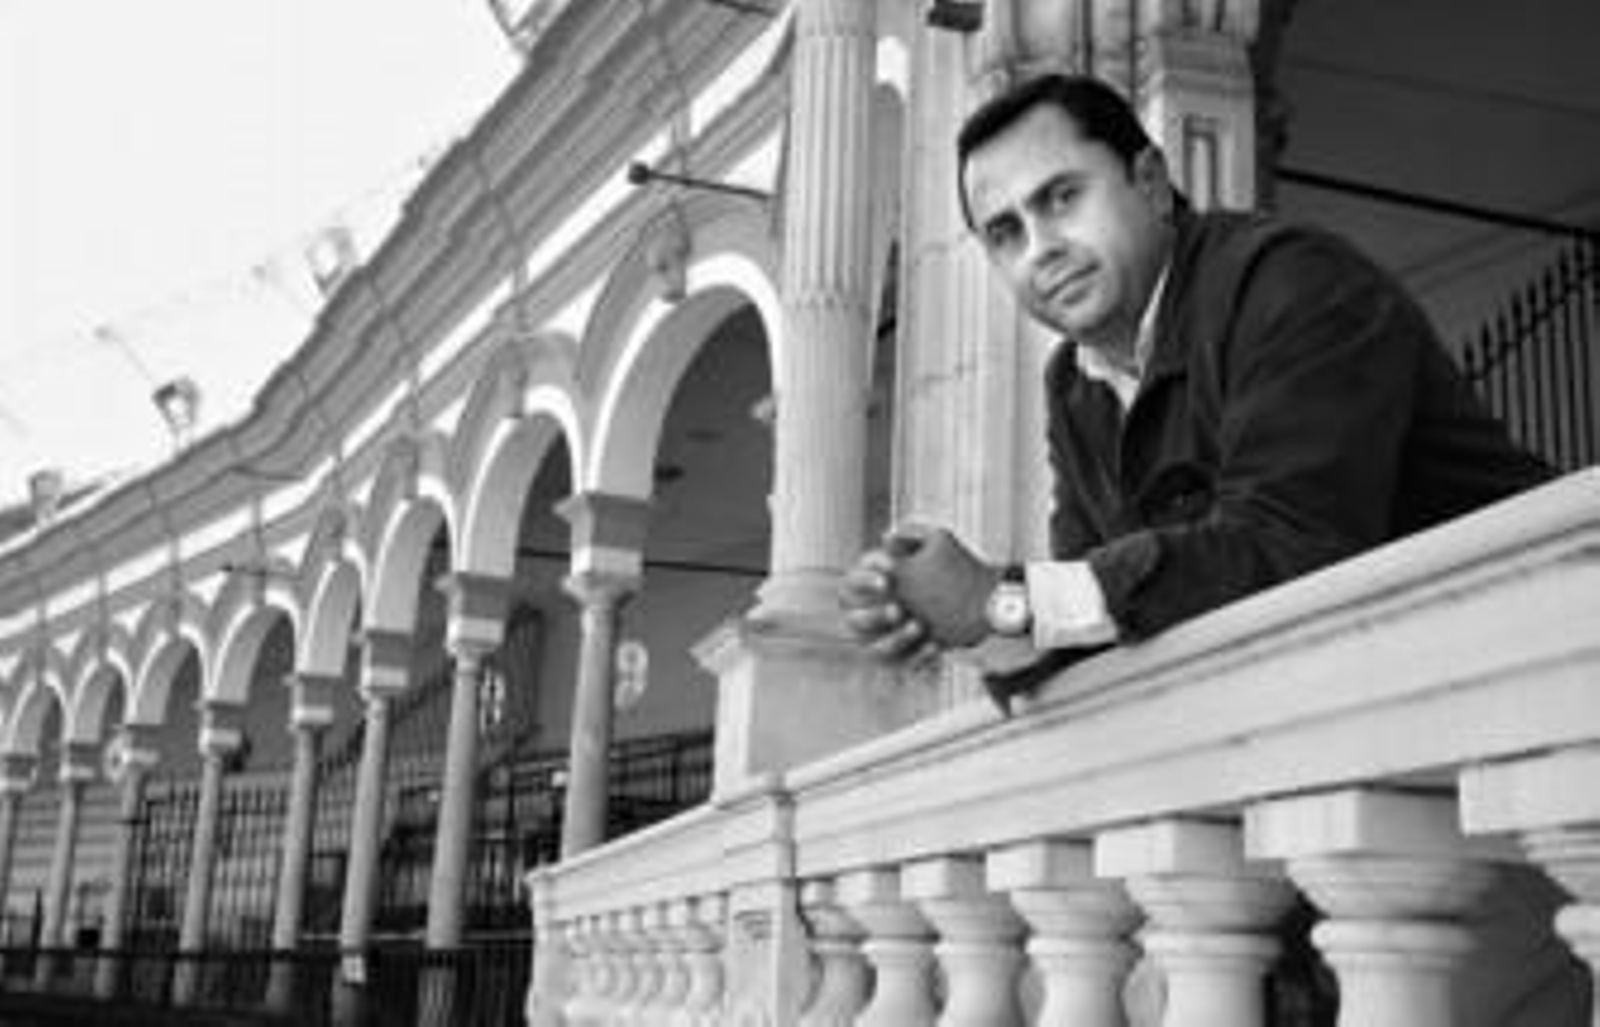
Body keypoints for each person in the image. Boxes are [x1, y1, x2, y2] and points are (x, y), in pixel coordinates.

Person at [840, 73, 1552, 709]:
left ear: (1150, 181)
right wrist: (964, 623)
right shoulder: (1075, 383)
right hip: (1383, 705)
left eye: (1061, 197)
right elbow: (1093, 611)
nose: (1039, 248)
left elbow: (1293, 542)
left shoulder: (1293, 284)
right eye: (1005, 232)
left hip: (1538, 655)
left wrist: (1005, 597)